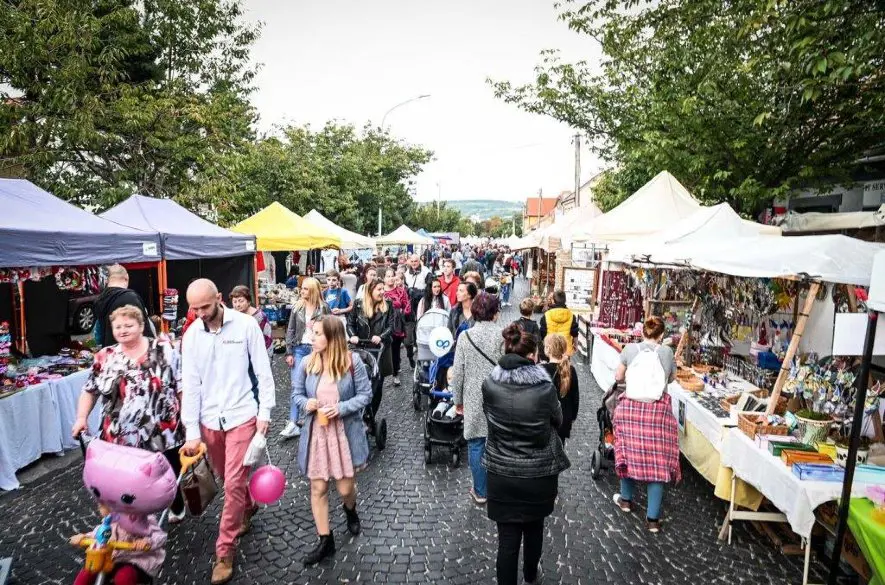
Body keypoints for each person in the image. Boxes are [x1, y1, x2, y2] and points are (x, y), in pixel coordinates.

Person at [180, 279, 275, 584]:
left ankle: (224, 551)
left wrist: (265, 414)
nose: (199, 313)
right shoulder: (191, 335)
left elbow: (263, 370)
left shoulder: (247, 325)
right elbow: (190, 384)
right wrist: (191, 430)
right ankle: (248, 507)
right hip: (209, 421)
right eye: (194, 308)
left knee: (234, 481)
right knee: (226, 478)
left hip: (242, 415)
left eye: (205, 306)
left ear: (219, 298)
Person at [72, 305, 186, 522]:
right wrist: (81, 418)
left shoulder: (164, 349)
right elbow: (90, 390)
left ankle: (175, 503)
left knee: (168, 471)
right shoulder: (105, 356)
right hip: (119, 432)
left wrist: (190, 421)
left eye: (128, 325)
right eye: (117, 327)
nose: (123, 330)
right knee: (125, 475)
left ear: (141, 326)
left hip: (162, 429)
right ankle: (134, 512)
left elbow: (181, 386)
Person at [482, 324, 570, 585]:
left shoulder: (490, 385)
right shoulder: (544, 389)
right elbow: (558, 419)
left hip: (501, 472)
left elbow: (489, 418)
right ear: (533, 356)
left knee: (507, 540)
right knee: (534, 530)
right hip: (537, 474)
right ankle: (531, 576)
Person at [291, 316, 372, 566]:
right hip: (317, 433)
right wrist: (307, 403)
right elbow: (296, 394)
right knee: (318, 488)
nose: (311, 338)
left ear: (332, 337)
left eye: (317, 334)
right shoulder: (306, 362)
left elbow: (365, 395)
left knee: (345, 488)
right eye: (312, 333)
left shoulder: (352, 361)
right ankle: (325, 539)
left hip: (344, 433)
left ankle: (350, 509)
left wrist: (342, 408)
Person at [612, 316, 680, 534]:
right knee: (657, 462)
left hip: (631, 409)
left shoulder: (630, 349)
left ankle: (625, 500)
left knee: (628, 453)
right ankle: (652, 520)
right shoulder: (667, 352)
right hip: (657, 411)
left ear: (643, 332)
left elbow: (618, 376)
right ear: (661, 335)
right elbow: (671, 379)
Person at [451, 292, 503, 505]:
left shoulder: (466, 336)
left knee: (476, 443)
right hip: (499, 396)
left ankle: (480, 490)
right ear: (494, 312)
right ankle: (499, 488)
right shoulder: (503, 335)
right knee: (499, 442)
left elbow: (458, 372)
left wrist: (457, 400)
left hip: (473, 396)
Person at [282, 278, 330, 439]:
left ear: (313, 291)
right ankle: (293, 422)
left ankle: (315, 418)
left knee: (317, 386)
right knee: (297, 386)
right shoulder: (297, 307)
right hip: (300, 349)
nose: (301, 292)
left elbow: (330, 331)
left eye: (305, 289)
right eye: (301, 289)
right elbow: (291, 330)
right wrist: (289, 352)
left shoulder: (324, 309)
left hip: (317, 351)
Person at [347, 278, 394, 413]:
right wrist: (353, 335)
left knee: (377, 384)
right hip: (361, 348)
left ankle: (371, 414)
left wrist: (381, 336)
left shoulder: (388, 305)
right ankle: (358, 410)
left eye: (382, 289)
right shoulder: (358, 305)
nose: (382, 292)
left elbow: (391, 326)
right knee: (358, 379)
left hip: (380, 350)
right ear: (370, 291)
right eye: (379, 289)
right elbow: (350, 323)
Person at [93, 264, 154, 348]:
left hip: (110, 353)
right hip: (131, 352)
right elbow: (145, 331)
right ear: (126, 278)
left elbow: (98, 334)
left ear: (109, 279)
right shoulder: (130, 297)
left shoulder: (100, 299)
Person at [542, 333, 579, 447]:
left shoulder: (541, 370)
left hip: (545, 420)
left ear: (548, 349)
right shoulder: (570, 370)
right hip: (563, 420)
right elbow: (575, 398)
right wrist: (572, 417)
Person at [382, 267, 411, 386]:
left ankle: (395, 374)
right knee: (384, 349)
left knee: (395, 349)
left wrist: (402, 313)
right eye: (387, 276)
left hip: (397, 324)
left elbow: (407, 305)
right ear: (383, 278)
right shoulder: (380, 290)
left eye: (391, 276)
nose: (390, 278)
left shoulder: (400, 291)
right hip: (383, 323)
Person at [230, 286, 272, 357]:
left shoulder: (260, 317)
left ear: (248, 301)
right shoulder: (231, 316)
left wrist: (266, 361)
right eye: (235, 302)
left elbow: (267, 340)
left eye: (241, 301)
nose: (237, 305)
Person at [539, 290, 579, 359]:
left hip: (551, 349)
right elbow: (574, 333)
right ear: (565, 301)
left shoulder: (547, 315)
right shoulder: (571, 315)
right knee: (565, 368)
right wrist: (576, 345)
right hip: (565, 350)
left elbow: (543, 332)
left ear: (553, 301)